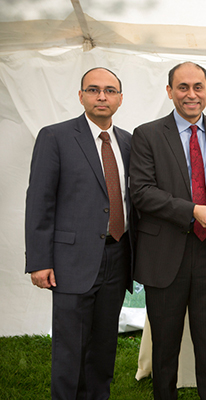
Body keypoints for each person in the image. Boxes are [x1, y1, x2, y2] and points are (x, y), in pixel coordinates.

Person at [129, 62, 206, 400]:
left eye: (198, 87)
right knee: (164, 349)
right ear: (169, 91)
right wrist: (191, 211)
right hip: (165, 256)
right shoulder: (147, 134)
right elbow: (142, 192)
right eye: (183, 87)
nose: (191, 94)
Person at [25, 67, 135, 399]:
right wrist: (39, 261)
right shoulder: (55, 136)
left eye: (110, 90)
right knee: (70, 348)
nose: (102, 96)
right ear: (80, 95)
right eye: (94, 89)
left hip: (118, 255)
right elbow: (40, 200)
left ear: (119, 98)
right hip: (70, 260)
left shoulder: (129, 142)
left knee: (103, 347)